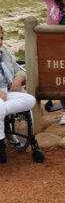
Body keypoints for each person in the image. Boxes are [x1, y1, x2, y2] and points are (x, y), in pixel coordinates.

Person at [0, 25, 36, 163]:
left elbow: (19, 70)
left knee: (30, 100)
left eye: (1, 38)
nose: (0, 42)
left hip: (8, 93)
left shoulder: (6, 53)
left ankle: (2, 115)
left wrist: (19, 78)